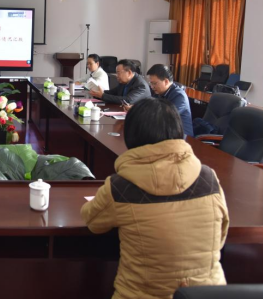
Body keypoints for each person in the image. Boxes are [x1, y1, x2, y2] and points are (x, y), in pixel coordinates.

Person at [81, 98, 229, 299]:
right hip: (207, 294)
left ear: (131, 135)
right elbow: (221, 235)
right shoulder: (208, 178)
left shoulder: (120, 187)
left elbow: (92, 221)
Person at [146, 64, 194, 137]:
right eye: (151, 83)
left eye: (154, 83)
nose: (152, 87)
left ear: (166, 81)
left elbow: (166, 117)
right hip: (166, 132)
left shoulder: (179, 96)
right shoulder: (158, 92)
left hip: (182, 136)